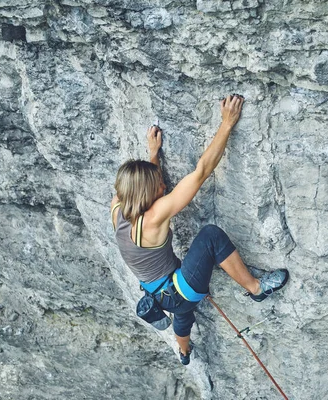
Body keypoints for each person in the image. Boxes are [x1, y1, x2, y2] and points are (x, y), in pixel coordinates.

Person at [110, 94, 289, 365]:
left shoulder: (118, 207)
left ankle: (183, 352)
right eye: (160, 183)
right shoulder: (154, 218)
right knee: (210, 237)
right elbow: (202, 171)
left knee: (182, 314)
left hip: (157, 292)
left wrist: (153, 155)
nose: (164, 185)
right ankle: (256, 289)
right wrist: (227, 123)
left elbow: (141, 188)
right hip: (178, 291)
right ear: (149, 196)